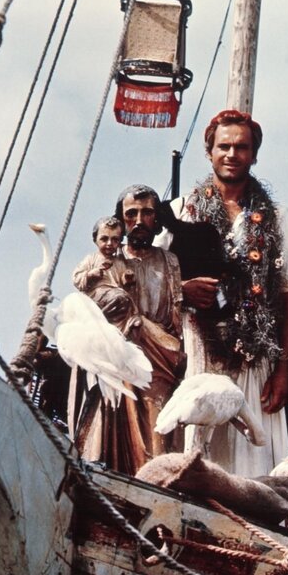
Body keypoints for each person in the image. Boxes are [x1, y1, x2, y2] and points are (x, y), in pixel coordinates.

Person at [155, 109, 288, 477]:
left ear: (254, 154)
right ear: (209, 152)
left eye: (241, 147)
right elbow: (151, 276)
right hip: (197, 350)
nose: (232, 154)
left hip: (255, 357)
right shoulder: (181, 210)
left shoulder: (277, 217)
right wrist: (182, 290)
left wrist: (283, 370)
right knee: (196, 447)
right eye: (223, 147)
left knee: (252, 455)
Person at [73, 192, 184, 475]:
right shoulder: (106, 258)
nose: (139, 221)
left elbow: (176, 313)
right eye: (131, 214)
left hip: (158, 358)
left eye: (147, 213)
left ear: (157, 218)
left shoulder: (169, 261)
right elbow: (86, 302)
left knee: (158, 439)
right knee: (107, 434)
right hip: (117, 356)